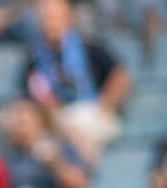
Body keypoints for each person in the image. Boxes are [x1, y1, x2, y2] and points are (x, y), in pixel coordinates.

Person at [21, 0, 132, 162]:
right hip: (58, 120)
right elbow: (30, 92)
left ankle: (84, 164)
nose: (48, 23)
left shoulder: (89, 46)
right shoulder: (36, 57)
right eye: (44, 18)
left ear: (68, 18)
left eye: (53, 17)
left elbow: (122, 75)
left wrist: (105, 106)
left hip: (91, 112)